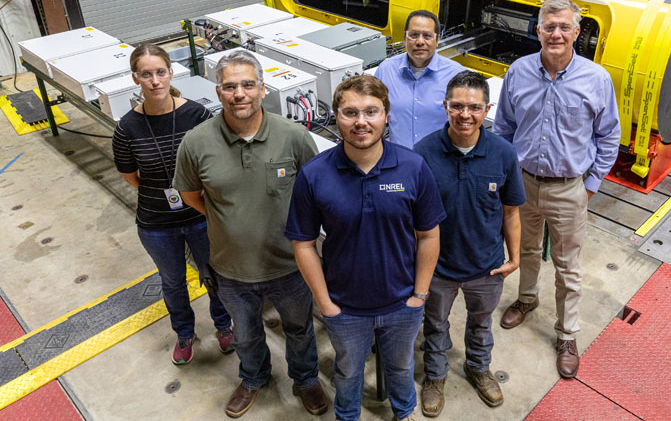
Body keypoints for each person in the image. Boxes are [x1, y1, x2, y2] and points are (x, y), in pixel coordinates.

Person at [173, 50, 328, 418]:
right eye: (229, 86)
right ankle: (253, 377)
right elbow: (190, 194)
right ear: (218, 91)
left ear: (261, 88)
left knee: (300, 329)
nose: (238, 93)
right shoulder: (196, 143)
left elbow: (316, 191)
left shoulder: (293, 137)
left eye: (247, 84)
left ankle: (306, 379)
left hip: (290, 265)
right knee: (245, 333)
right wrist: (227, 218)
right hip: (231, 269)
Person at [286, 75, 445, 421]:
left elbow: (430, 235)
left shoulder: (413, 167)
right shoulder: (315, 175)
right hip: (345, 308)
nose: (361, 121)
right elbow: (304, 244)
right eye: (350, 112)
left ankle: (404, 412)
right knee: (347, 372)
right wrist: (325, 303)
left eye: (371, 111)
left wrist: (419, 295)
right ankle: (347, 415)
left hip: (403, 303)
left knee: (401, 367)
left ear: (386, 115)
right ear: (337, 117)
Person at [492, 0, 620, 379]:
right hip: (523, 182)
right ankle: (526, 299)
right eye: (549, 27)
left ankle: (567, 334)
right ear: (538, 31)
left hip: (569, 187)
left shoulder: (595, 79)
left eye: (564, 27)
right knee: (525, 249)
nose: (556, 34)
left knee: (568, 267)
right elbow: (503, 129)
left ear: (577, 33)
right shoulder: (518, 71)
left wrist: (590, 185)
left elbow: (609, 136)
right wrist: (504, 177)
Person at [112, 43, 233, 365]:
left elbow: (218, 162)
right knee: (173, 282)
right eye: (146, 74)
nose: (155, 81)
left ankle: (224, 325)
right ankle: (183, 333)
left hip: (200, 216)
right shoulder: (127, 127)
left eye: (160, 72)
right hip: (156, 223)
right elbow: (130, 177)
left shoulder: (197, 115)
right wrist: (163, 193)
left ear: (171, 72)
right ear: (136, 78)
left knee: (214, 276)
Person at [413, 71, 525, 417]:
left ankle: (478, 367)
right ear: (445, 106)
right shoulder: (424, 153)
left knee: (481, 322)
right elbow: (413, 217)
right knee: (435, 325)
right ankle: (435, 376)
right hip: (439, 267)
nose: (465, 115)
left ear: (487, 109)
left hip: (486, 265)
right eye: (457, 106)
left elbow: (510, 212)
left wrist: (514, 257)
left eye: (474, 107)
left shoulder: (503, 154)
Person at [374, 10, 464, 149]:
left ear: (437, 39)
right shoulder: (386, 71)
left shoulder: (457, 76)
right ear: (405, 38)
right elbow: (373, 115)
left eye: (427, 36)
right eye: (414, 35)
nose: (420, 42)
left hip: (439, 164)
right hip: (399, 161)